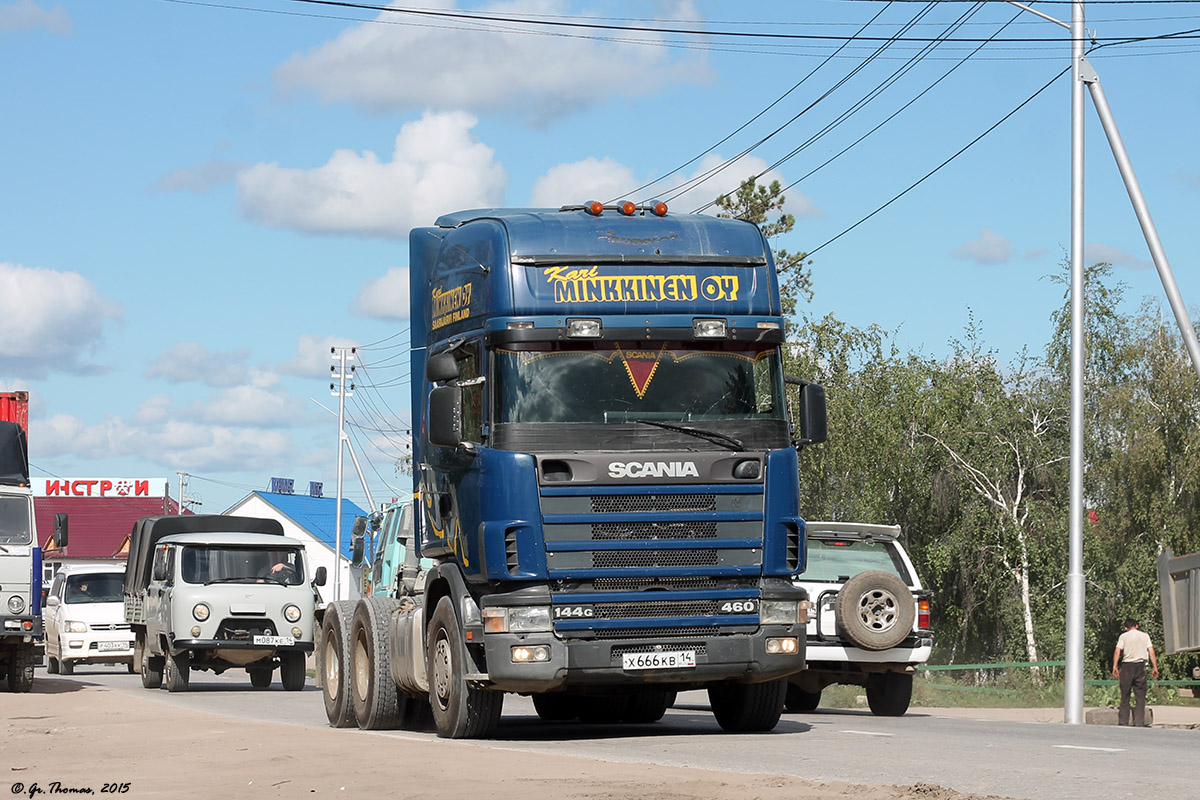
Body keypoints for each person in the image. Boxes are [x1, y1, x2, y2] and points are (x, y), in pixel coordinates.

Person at [1111, 617, 1159, 727]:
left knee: (1125, 695)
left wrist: (1115, 666)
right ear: (1136, 626)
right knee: (1140, 695)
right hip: (1140, 666)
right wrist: (1155, 667)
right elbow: (1151, 651)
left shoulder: (1123, 636)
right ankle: (1139, 722)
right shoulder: (1145, 636)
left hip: (1127, 666)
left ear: (1126, 627)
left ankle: (1123, 721)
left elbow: (1117, 651)